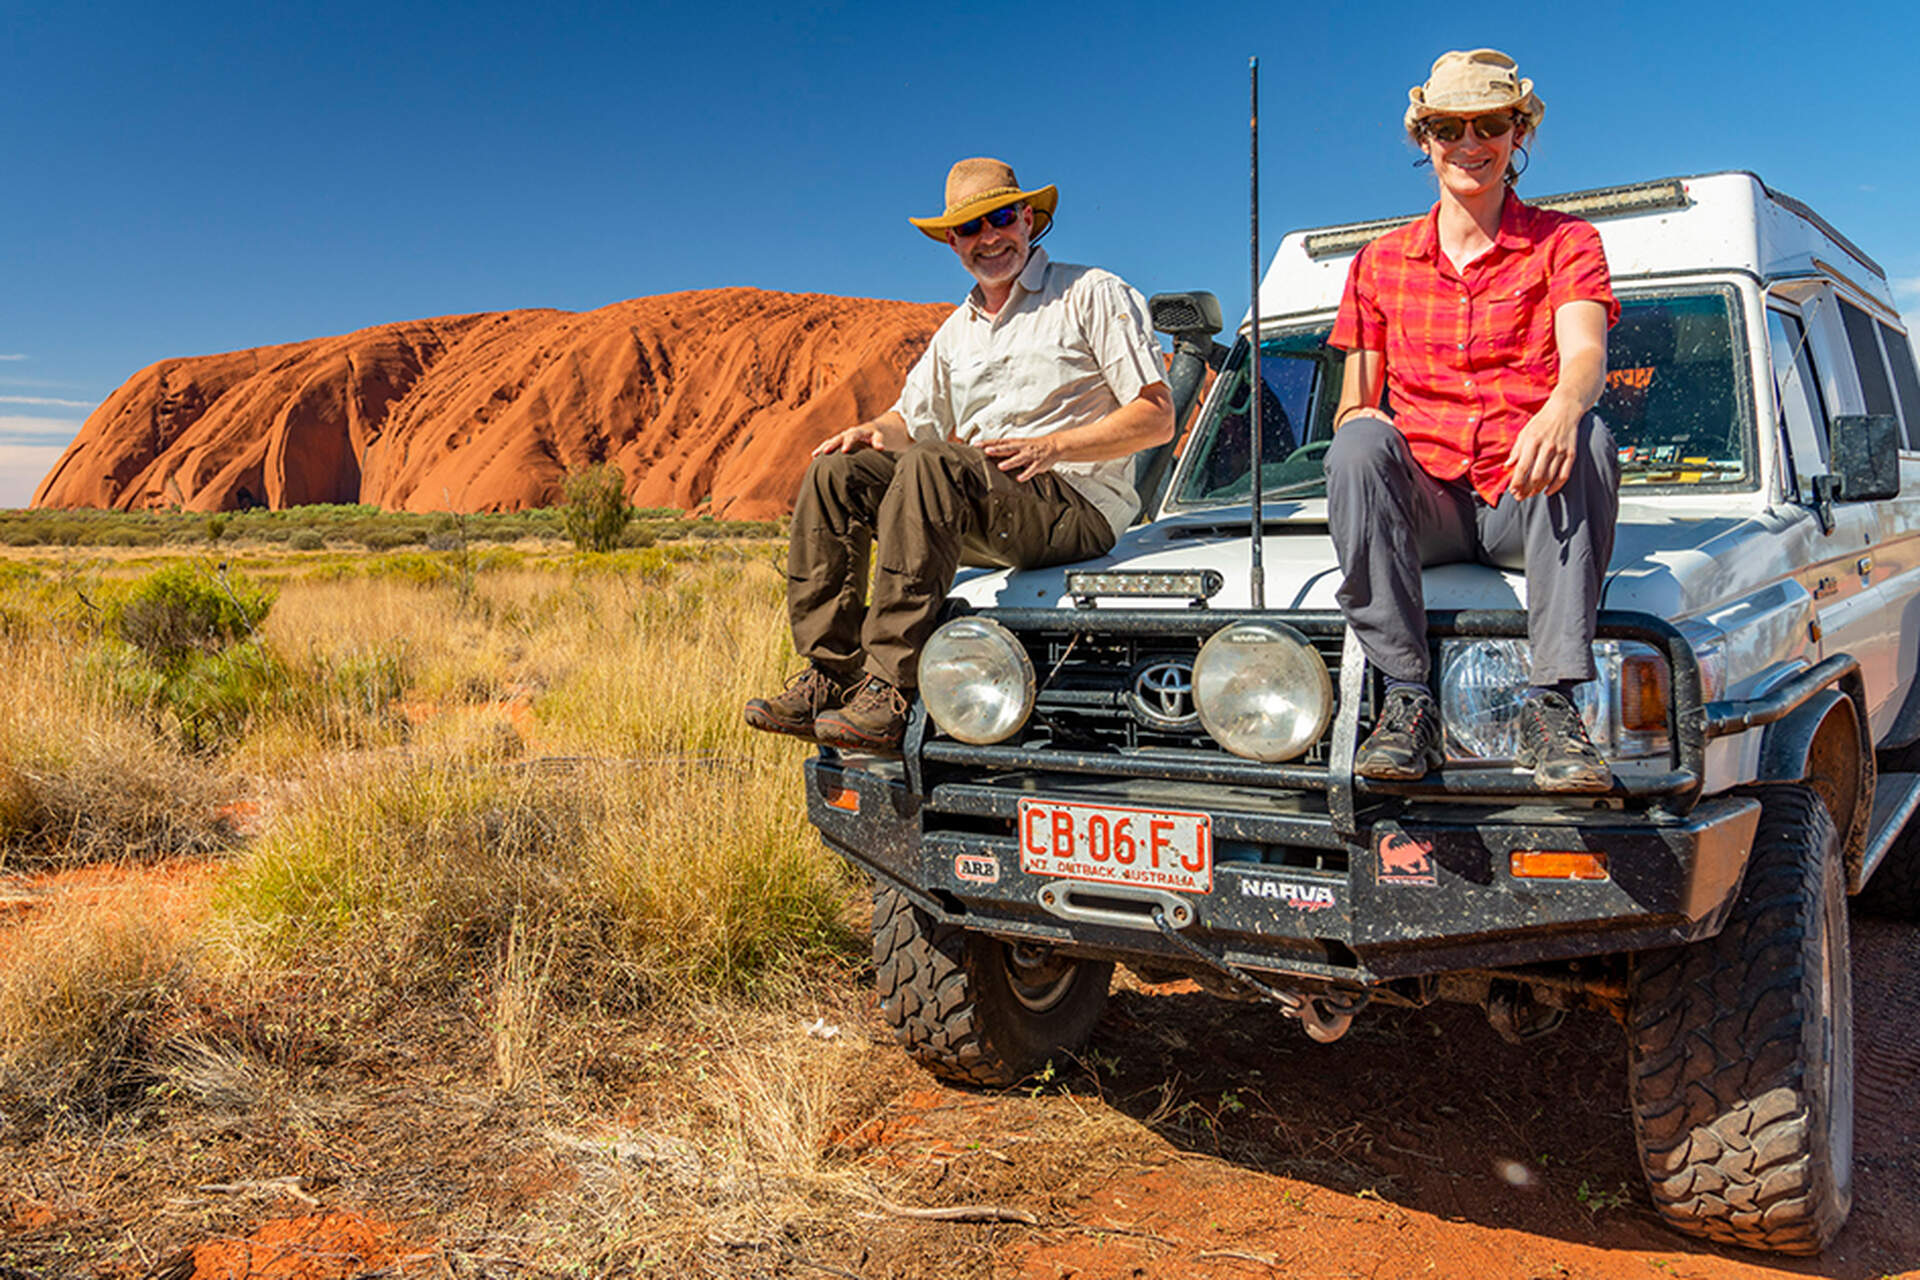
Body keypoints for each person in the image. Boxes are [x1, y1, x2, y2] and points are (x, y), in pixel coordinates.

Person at [745, 157, 1174, 752]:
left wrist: (1053, 446)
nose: (988, 238)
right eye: (970, 228)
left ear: (1027, 218)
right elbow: (908, 421)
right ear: (952, 242)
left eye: (999, 218)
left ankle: (891, 688)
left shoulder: (1090, 293)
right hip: (980, 502)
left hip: (1075, 506)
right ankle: (831, 674)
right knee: (836, 472)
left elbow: (1156, 415)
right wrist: (868, 429)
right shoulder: (958, 331)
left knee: (934, 464)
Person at [1325, 49, 1621, 790]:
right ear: (1422, 139)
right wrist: (1363, 430)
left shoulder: (1566, 242)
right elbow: (1355, 405)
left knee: (1586, 434)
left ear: (1517, 131)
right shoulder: (1377, 263)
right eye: (1447, 126)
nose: (1469, 142)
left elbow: (1585, 354)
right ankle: (1406, 700)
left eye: (1488, 122)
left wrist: (1561, 403)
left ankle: (1552, 706)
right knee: (1359, 443)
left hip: (1528, 498)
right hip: (1430, 506)